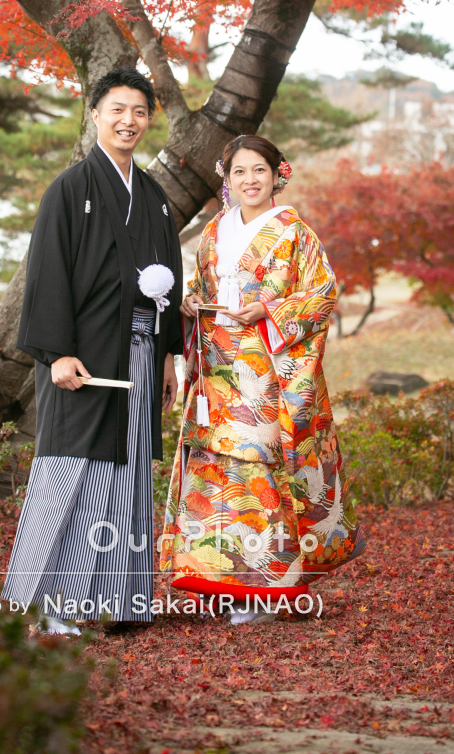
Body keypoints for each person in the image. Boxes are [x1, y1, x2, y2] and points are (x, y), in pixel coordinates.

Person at [2, 67, 183, 634]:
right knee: (70, 470)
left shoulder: (153, 197)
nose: (128, 121)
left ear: (149, 119)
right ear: (95, 113)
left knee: (127, 475)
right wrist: (55, 352)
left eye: (138, 111)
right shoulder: (70, 188)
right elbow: (47, 274)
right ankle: (48, 605)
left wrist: (169, 356)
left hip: (139, 352)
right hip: (82, 357)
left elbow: (169, 277)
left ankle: (121, 602)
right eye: (117, 109)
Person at [160, 134, 365, 625]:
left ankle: (269, 590)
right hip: (216, 372)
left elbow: (322, 295)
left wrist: (269, 309)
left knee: (261, 477)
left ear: (278, 174)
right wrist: (190, 303)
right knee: (219, 478)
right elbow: (201, 287)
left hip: (267, 373)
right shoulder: (213, 232)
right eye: (239, 173)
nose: (249, 180)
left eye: (259, 170)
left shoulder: (296, 232)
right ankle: (223, 583)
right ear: (226, 180)